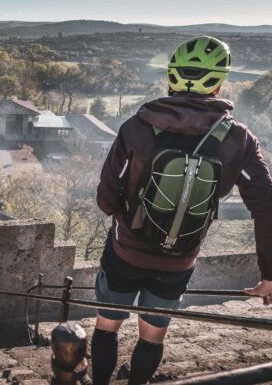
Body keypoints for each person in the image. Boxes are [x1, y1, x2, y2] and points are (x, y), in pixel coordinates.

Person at [92, 36, 272, 385]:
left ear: (171, 78)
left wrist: (125, 216)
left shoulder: (138, 127)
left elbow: (106, 198)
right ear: (219, 84)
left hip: (125, 251)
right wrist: (270, 273)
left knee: (107, 325)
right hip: (179, 259)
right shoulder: (239, 140)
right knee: (152, 335)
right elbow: (266, 204)